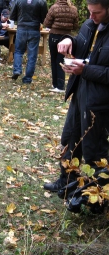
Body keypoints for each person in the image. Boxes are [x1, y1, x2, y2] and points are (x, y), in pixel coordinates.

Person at [43, 0, 109, 192]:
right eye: (89, 12)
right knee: (71, 137)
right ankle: (66, 179)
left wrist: (85, 70)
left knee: (94, 149)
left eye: (96, 13)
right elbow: (81, 46)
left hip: (100, 101)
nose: (91, 17)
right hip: (80, 92)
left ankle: (96, 195)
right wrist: (69, 40)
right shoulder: (90, 25)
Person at [43, 0, 78, 93]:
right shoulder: (73, 9)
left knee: (54, 60)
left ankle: (56, 84)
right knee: (62, 59)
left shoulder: (54, 8)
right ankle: (61, 84)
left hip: (54, 36)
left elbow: (46, 23)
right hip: (67, 37)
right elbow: (75, 25)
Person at [10, 0, 47, 83]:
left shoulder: (18, 1)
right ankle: (27, 78)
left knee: (18, 51)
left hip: (21, 29)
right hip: (34, 30)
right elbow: (44, 18)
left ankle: (17, 69)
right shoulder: (41, 2)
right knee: (32, 55)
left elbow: (12, 16)